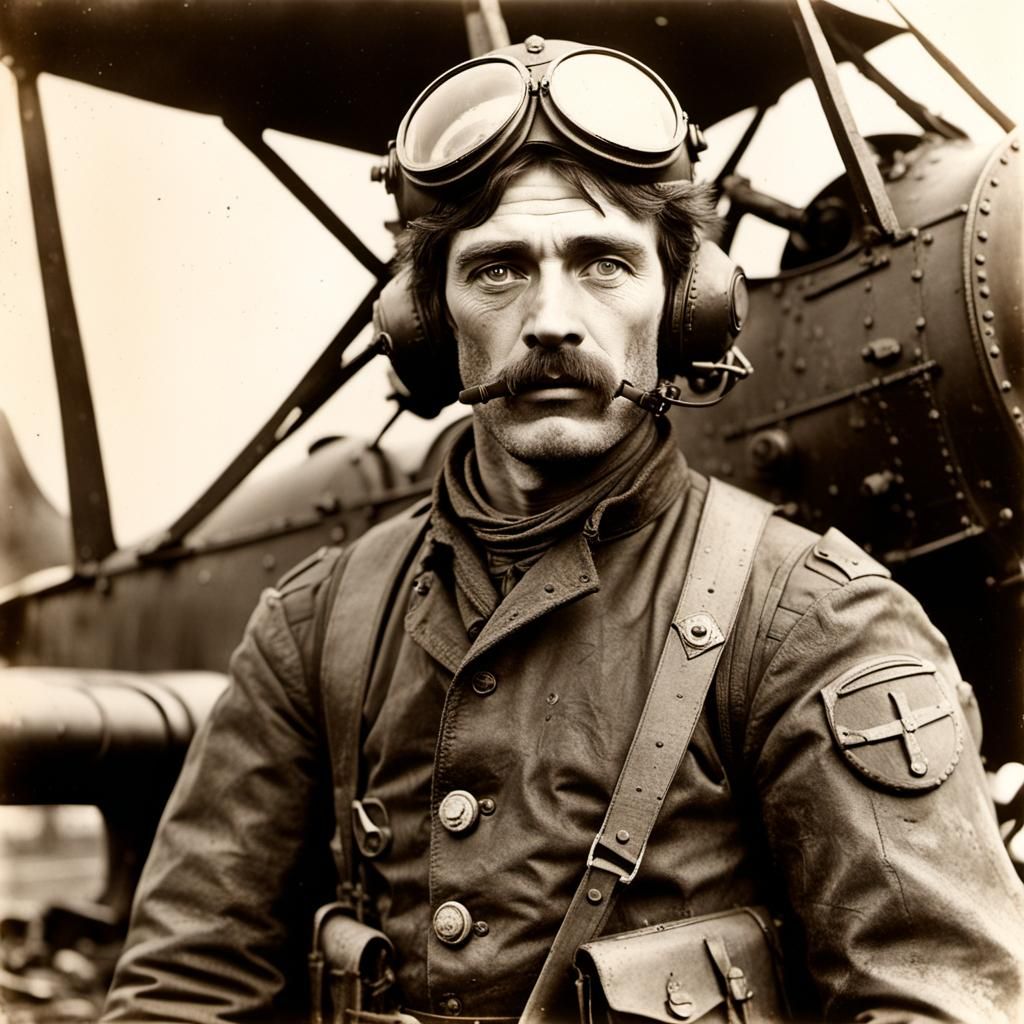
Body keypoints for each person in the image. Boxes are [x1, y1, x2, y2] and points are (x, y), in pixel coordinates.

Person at [103, 36, 1024, 1024]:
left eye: (603, 264)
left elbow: (938, 1000)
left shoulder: (817, 622)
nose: (551, 319)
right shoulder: (313, 623)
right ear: (424, 323)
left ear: (686, 310)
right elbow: (182, 991)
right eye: (497, 270)